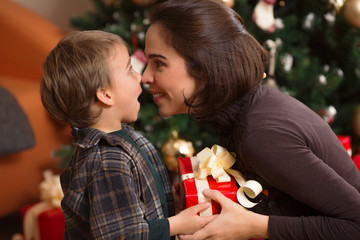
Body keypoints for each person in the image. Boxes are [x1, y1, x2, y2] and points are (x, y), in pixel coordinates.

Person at [141, 0, 360, 239]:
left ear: (204, 67)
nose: (145, 77)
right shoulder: (247, 109)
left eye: (159, 63)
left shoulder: (259, 134)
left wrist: (254, 226)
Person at [40, 30, 215, 239]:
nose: (140, 76)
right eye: (129, 69)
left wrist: (168, 205)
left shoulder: (122, 136)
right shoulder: (107, 162)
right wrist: (176, 225)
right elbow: (125, 235)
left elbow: (135, 209)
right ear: (106, 94)